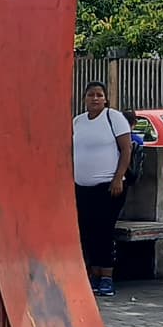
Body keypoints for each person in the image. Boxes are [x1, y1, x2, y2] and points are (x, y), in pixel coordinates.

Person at [72, 83, 133, 296]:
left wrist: (118, 178)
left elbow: (126, 149)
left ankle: (107, 277)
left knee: (103, 231)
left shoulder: (113, 118)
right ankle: (93, 274)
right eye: (90, 95)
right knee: (87, 231)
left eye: (99, 95)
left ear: (105, 99)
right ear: (84, 99)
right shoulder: (78, 122)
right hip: (82, 188)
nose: (95, 99)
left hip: (109, 187)